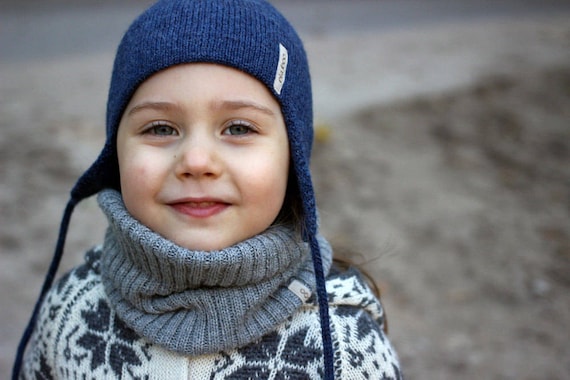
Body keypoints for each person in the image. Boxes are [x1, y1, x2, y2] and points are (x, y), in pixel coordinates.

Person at [13, 0, 402, 379]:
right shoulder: (70, 311)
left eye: (238, 128)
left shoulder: (343, 347)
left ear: (293, 158)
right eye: (161, 128)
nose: (197, 161)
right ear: (115, 154)